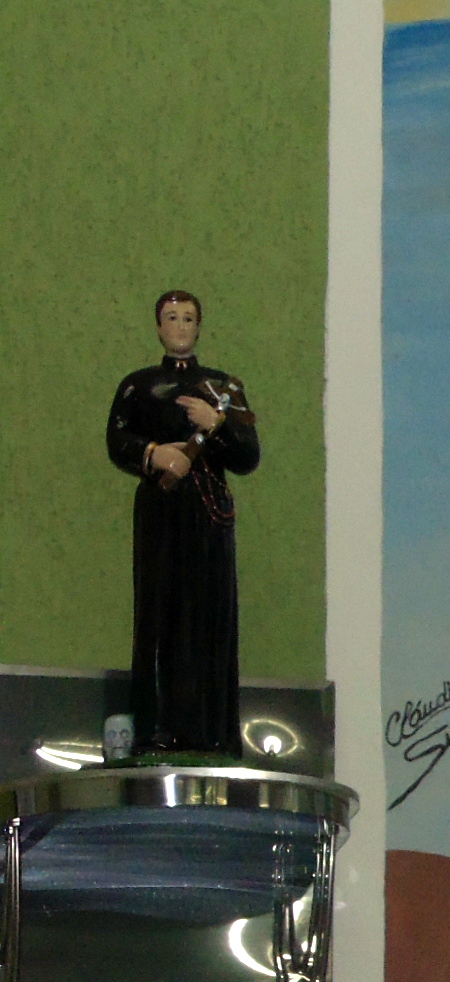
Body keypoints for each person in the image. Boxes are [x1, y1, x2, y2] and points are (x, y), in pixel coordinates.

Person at [104, 290, 259, 756]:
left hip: (209, 511)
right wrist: (154, 454)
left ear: (199, 327)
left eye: (188, 318)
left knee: (211, 612)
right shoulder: (138, 386)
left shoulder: (221, 388)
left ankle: (213, 730)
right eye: (171, 318)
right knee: (158, 608)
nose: (180, 326)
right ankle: (156, 726)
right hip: (161, 509)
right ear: (158, 326)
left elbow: (248, 455)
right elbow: (117, 441)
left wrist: (217, 423)